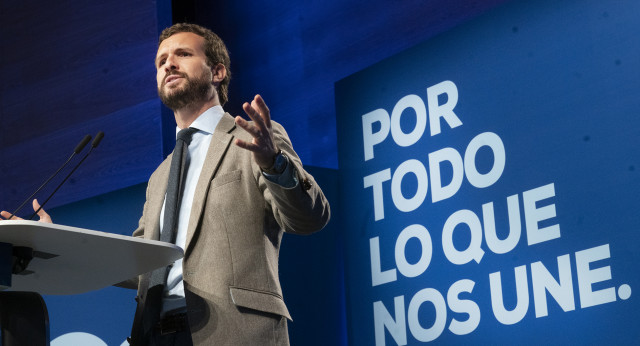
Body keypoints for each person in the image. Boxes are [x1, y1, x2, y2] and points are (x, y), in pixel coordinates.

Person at [2, 23, 330, 346]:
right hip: (155, 332)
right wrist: (50, 241)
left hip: (234, 331)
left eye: (183, 54)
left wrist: (274, 164)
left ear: (217, 72)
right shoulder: (161, 175)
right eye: (161, 61)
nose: (168, 64)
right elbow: (139, 262)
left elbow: (309, 217)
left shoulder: (254, 140)